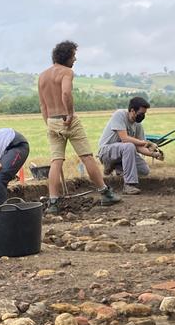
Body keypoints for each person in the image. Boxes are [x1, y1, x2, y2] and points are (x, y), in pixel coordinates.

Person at [37, 40, 121, 213]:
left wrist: (50, 122)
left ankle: (53, 202)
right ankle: (106, 193)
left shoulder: (42, 76)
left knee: (56, 161)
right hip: (68, 119)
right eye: (73, 56)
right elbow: (66, 93)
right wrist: (68, 114)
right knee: (87, 157)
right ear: (66, 56)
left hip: (52, 120)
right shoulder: (67, 72)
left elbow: (42, 105)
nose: (75, 59)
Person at [97, 96, 163, 195]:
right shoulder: (119, 115)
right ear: (132, 110)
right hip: (106, 152)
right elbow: (124, 138)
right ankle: (129, 185)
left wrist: (155, 154)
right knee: (129, 146)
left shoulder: (138, 125)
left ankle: (117, 167)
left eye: (144, 114)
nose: (143, 116)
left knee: (144, 170)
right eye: (141, 113)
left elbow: (140, 147)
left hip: (123, 153)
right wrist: (147, 143)